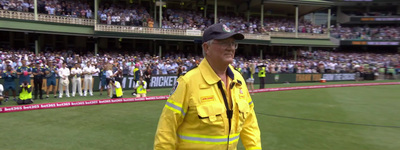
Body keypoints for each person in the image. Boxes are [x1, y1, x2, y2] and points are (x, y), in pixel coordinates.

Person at [154, 23, 261, 150]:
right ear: (206, 47)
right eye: (224, 43)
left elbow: (250, 124)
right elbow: (166, 129)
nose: (230, 48)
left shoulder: (238, 80)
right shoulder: (188, 82)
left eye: (233, 43)